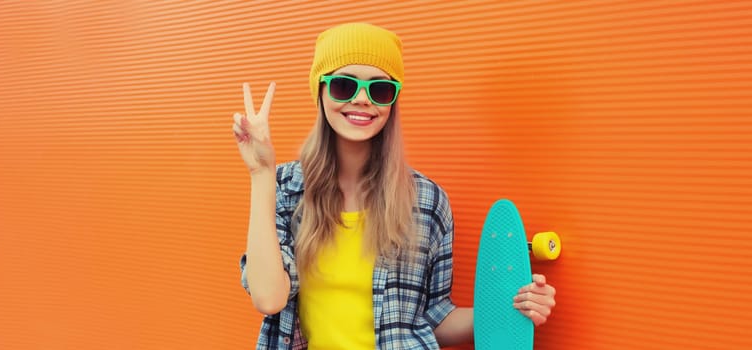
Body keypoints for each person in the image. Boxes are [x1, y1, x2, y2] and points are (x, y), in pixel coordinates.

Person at [234, 23, 556, 349]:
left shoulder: (428, 202)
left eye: (380, 90)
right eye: (344, 86)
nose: (362, 99)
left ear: (392, 102)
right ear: (320, 92)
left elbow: (434, 319)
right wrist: (261, 173)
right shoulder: (286, 189)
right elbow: (268, 298)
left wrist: (508, 309)